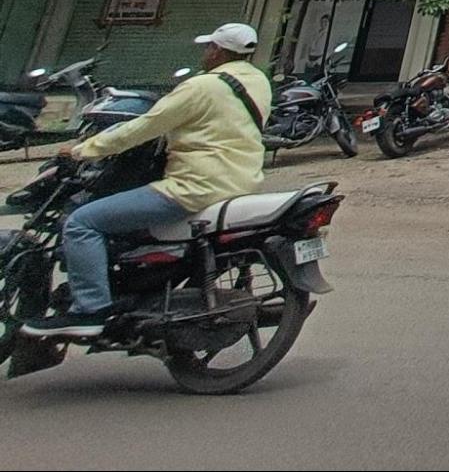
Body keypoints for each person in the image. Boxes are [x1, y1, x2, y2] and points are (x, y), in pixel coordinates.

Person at [25, 23, 272, 340]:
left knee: (81, 223)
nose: (205, 53)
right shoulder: (257, 81)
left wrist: (81, 151)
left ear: (219, 51)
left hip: (194, 186)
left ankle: (91, 311)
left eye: (208, 47)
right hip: (241, 181)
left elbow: (144, 127)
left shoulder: (202, 86)